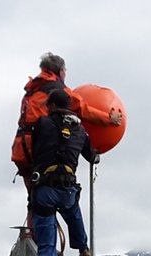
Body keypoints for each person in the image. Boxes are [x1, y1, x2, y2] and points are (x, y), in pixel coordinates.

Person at [11, 51, 122, 192]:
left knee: (34, 200)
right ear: (60, 70)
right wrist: (108, 118)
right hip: (38, 149)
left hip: (21, 148)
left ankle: (34, 210)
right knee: (46, 198)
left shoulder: (32, 90)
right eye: (65, 70)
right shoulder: (58, 90)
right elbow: (82, 109)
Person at [29, 87, 98, 256]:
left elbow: (35, 145)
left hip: (45, 190)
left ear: (50, 106)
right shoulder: (81, 131)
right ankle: (83, 248)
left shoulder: (42, 123)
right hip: (68, 189)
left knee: (47, 247)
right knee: (72, 211)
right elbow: (92, 156)